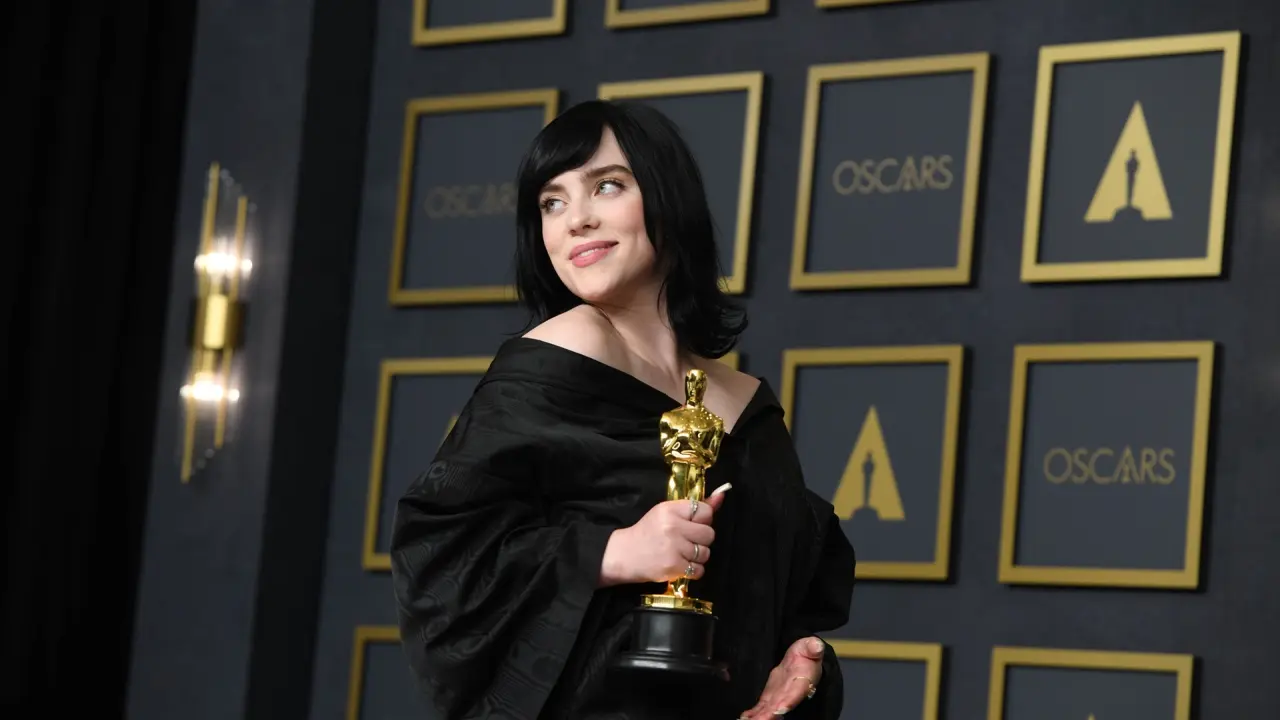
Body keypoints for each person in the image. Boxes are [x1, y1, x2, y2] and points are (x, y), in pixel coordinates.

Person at [389, 100, 856, 719]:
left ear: (666, 196)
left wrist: (800, 668)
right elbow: (440, 556)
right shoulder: (562, 352)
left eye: (606, 186)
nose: (575, 220)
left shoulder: (746, 404)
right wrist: (614, 552)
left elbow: (780, 598)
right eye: (551, 202)